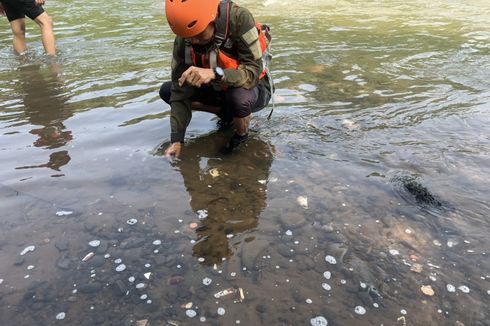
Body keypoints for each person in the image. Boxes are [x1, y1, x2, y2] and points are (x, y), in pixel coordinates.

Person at [160, 0, 273, 158]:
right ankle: (227, 115)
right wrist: (177, 140)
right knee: (167, 91)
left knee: (238, 98)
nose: (194, 41)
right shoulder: (184, 37)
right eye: (189, 37)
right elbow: (179, 91)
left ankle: (241, 137)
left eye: (199, 35)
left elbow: (253, 73)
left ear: (212, 19)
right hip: (219, 89)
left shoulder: (240, 19)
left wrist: (216, 73)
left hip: (254, 88)